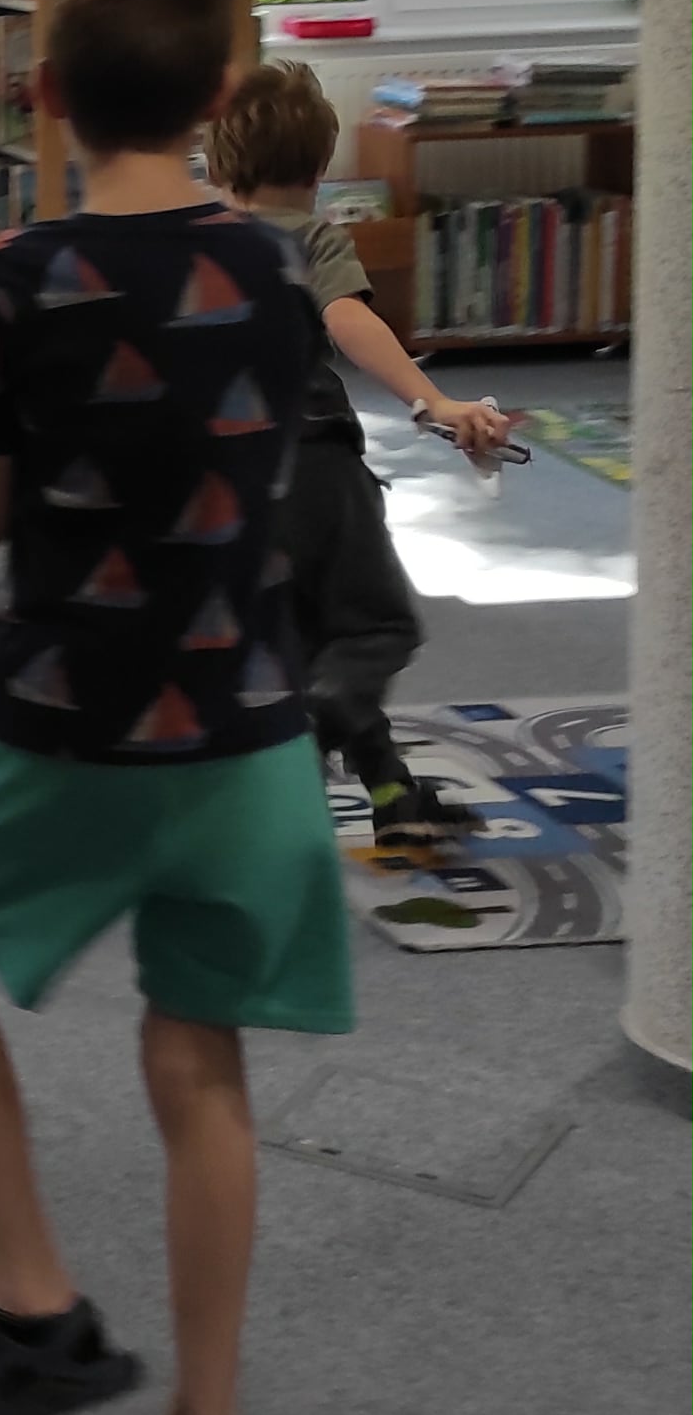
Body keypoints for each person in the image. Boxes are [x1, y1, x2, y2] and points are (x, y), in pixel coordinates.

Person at [0, 0, 354, 1415]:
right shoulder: (279, 272)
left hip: (65, 725)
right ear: (219, 96)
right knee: (200, 1061)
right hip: (245, 738)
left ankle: (34, 1303)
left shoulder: (7, 275)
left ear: (43, 92)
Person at [203, 60, 511, 846]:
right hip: (319, 472)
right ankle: (332, 717)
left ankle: (393, 795)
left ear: (220, 166)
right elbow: (346, 317)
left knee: (306, 645)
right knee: (374, 631)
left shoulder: (199, 247)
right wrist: (432, 401)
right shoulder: (311, 236)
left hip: (232, 488)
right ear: (317, 171)